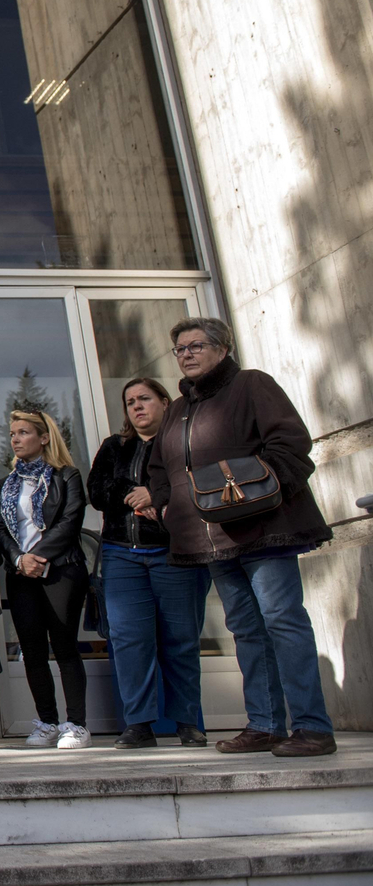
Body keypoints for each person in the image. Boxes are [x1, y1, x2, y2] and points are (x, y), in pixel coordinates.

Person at [148, 317, 336, 757]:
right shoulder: (177, 409)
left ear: (222, 348)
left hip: (266, 530)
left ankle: (312, 728)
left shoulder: (252, 385)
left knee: (282, 621)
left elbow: (291, 444)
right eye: (179, 349)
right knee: (247, 631)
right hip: (208, 537)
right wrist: (165, 505)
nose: (187, 354)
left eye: (196, 345)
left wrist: (262, 495)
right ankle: (266, 725)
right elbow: (160, 467)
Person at [87, 378, 210, 750]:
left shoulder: (183, 443)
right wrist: (131, 493)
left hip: (175, 553)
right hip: (122, 554)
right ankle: (138, 724)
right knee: (129, 641)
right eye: (130, 402)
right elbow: (97, 492)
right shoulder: (115, 446)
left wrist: (157, 494)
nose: (137, 406)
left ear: (164, 402)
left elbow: (198, 484)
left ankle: (188, 722)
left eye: (144, 399)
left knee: (181, 639)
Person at [0, 409, 91, 750]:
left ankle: (76, 724)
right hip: (21, 574)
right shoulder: (7, 484)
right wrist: (20, 559)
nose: (15, 439)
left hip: (61, 570)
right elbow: (2, 530)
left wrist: (40, 555)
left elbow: (70, 522)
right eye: (12, 434)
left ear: (44, 437)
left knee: (64, 647)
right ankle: (47, 722)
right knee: (33, 651)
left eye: (23, 433)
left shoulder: (67, 476)